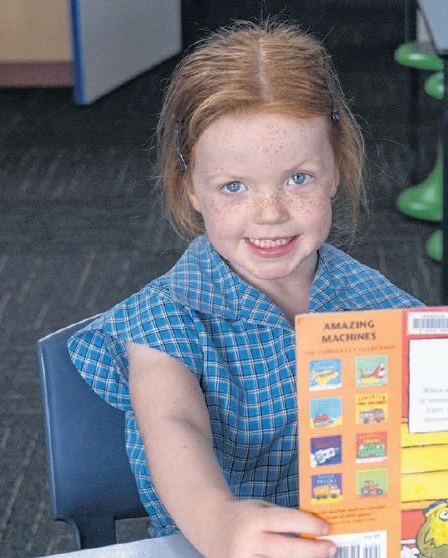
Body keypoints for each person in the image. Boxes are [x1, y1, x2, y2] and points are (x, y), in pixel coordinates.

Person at [68, 21, 419, 558]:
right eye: (234, 186)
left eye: (298, 178)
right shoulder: (165, 320)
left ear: (335, 172)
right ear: (190, 189)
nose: (270, 213)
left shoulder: (376, 301)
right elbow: (174, 425)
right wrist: (220, 522)